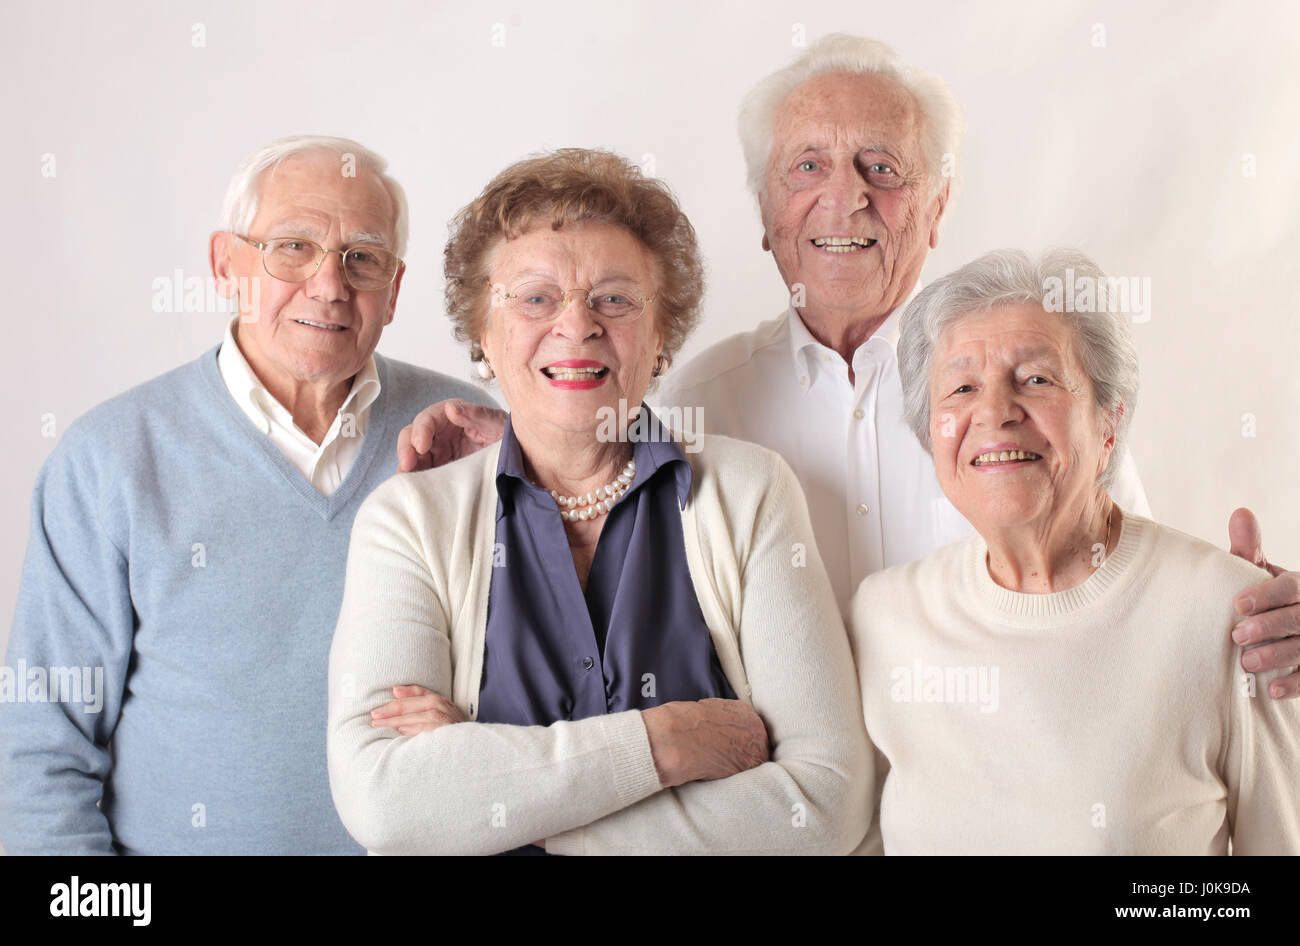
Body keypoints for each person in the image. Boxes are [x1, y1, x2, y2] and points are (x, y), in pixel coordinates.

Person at [396, 34, 1300, 699]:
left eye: (882, 167)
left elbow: (1135, 591)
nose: (846, 197)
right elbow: (591, 492)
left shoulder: (1036, 389)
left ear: (936, 207)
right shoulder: (700, 398)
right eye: (808, 167)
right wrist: (508, 435)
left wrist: (1238, 620)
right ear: (764, 209)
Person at [327, 148, 871, 855]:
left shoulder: (749, 492)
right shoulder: (409, 522)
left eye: (614, 298)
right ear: (483, 335)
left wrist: (495, 796)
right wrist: (664, 746)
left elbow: (823, 805)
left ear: (661, 338)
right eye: (535, 298)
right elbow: (387, 803)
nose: (577, 325)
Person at [0, 135, 495, 854]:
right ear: (224, 265)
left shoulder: (466, 435)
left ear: (393, 290)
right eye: (292, 247)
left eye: (362, 257)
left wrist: (485, 740)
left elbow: (561, 689)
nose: (329, 284)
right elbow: (40, 743)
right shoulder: (110, 457)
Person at [851, 248, 1299, 854]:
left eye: (1036, 379)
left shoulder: (1227, 614)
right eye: (960, 387)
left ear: (1109, 422)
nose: (995, 413)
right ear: (931, 432)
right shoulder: (883, 617)